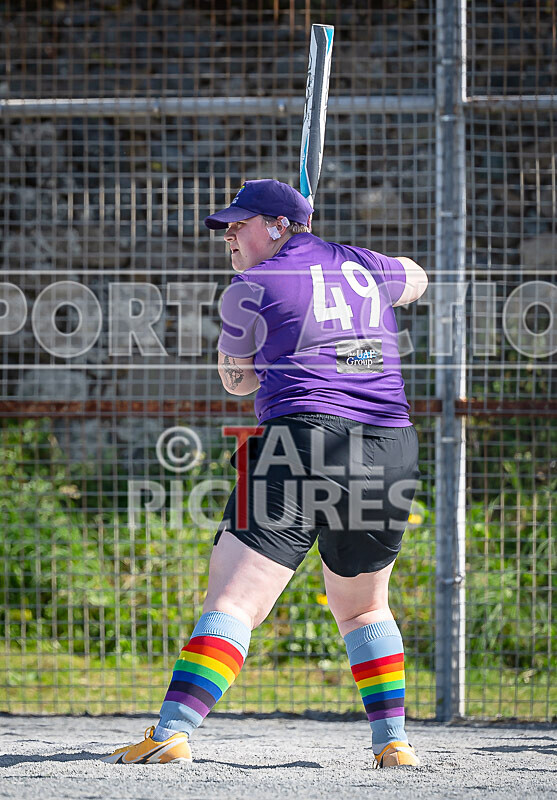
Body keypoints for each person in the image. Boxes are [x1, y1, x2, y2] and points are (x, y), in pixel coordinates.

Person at [103, 179, 428, 768]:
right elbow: (416, 277)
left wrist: (284, 354)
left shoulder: (248, 287)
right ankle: (393, 745)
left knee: (234, 599)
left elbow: (239, 381)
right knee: (363, 609)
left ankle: (171, 732)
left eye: (240, 222)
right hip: (388, 447)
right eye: (227, 225)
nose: (229, 234)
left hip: (301, 440)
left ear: (278, 226)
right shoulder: (362, 265)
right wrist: (349, 342)